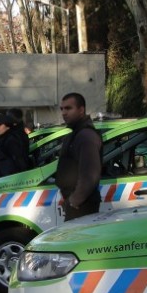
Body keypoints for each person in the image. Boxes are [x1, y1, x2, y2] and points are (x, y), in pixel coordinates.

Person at [55, 93, 102, 221]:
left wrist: (74, 201)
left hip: (82, 206)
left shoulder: (86, 135)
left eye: (68, 108)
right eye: (62, 109)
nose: (64, 113)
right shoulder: (76, 134)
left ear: (81, 110)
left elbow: (90, 175)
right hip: (75, 203)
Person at [0, 113, 30, 177]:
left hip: (11, 178)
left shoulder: (11, 140)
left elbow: (19, 159)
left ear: (8, 126)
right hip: (3, 178)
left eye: (0, 124)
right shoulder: (1, 138)